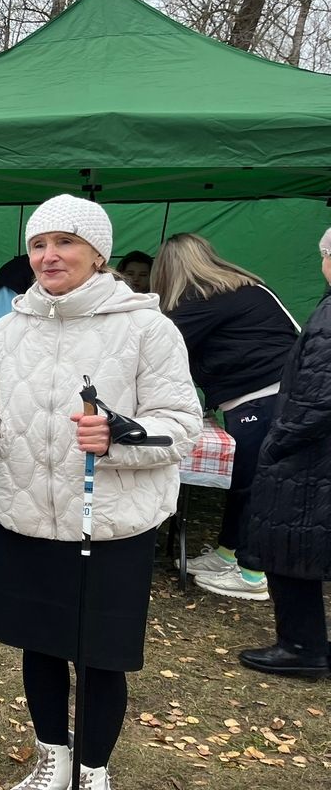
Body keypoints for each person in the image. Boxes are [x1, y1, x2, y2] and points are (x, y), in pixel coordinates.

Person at [0, 194, 201, 790]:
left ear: (97, 254)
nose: (48, 256)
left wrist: (120, 434)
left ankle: (93, 769)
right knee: (40, 646)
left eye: (64, 243)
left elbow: (182, 425)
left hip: (109, 521)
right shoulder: (9, 329)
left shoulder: (147, 326)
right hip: (28, 514)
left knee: (99, 655)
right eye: (38, 244)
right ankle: (52, 760)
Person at [153, 232, 298, 601]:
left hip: (264, 400)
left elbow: (156, 340)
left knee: (255, 486)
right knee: (244, 481)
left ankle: (252, 574)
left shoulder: (207, 300)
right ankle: (228, 554)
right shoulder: (251, 289)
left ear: (170, 270)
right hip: (274, 397)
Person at [236, 227, 331, 678]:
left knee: (290, 547)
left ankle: (301, 646)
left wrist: (279, 439)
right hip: (314, 454)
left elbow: (318, 395)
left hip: (309, 459)